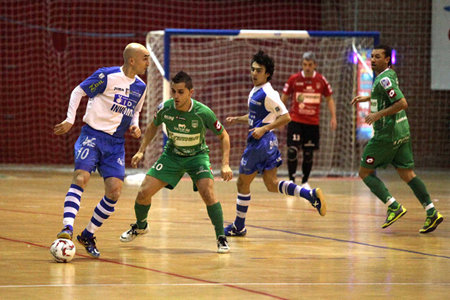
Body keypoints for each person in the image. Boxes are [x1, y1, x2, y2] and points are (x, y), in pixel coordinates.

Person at [119, 71, 233, 253]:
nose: (176, 96)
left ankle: (221, 237)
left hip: (197, 157)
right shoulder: (165, 108)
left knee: (208, 192)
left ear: (191, 92)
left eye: (181, 92)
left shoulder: (203, 112)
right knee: (143, 193)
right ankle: (141, 226)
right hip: (172, 156)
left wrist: (225, 164)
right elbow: (152, 127)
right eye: (173, 91)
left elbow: (224, 135)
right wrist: (141, 151)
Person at [54, 43, 150, 257]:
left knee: (114, 191)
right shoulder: (106, 76)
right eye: (145, 58)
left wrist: (135, 126)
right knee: (80, 178)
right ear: (132, 60)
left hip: (115, 144)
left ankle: (87, 234)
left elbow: (135, 111)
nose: (148, 62)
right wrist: (70, 119)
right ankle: (67, 228)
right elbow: (78, 91)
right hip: (92, 136)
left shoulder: (141, 86)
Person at [224, 50, 326, 237]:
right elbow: (257, 117)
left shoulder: (268, 93)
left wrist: (263, 129)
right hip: (268, 142)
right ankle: (309, 195)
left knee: (241, 184)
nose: (254, 73)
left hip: (260, 142)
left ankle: (239, 226)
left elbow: (286, 117)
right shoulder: (256, 91)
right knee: (271, 184)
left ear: (267, 73)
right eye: (253, 69)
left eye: (259, 70)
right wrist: (238, 119)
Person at [351, 44, 444, 233]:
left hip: (387, 134)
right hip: (402, 131)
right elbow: (389, 96)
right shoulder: (389, 75)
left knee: (365, 172)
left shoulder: (384, 79)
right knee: (407, 174)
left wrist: (377, 115)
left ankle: (393, 206)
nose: (373, 59)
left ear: (387, 59)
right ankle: (431, 211)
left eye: (378, 56)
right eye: (372, 56)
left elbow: (402, 103)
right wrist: (368, 98)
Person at [281, 51, 337, 188]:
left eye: (310, 65)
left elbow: (329, 99)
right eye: (304, 64)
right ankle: (292, 181)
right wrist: (280, 117)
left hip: (312, 123)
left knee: (308, 153)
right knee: (292, 150)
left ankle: (305, 181)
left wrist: (333, 117)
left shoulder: (321, 80)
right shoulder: (294, 79)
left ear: (315, 65)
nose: (307, 67)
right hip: (295, 120)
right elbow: (284, 97)